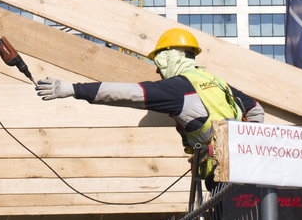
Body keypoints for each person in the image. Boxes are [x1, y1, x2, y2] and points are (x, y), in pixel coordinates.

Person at [34, 27, 264, 181]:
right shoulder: (216, 81)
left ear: (168, 57)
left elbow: (129, 93)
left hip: (220, 177)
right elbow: (255, 110)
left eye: (158, 63)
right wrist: (247, 146)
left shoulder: (177, 89)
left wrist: (74, 89)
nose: (157, 70)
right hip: (247, 171)